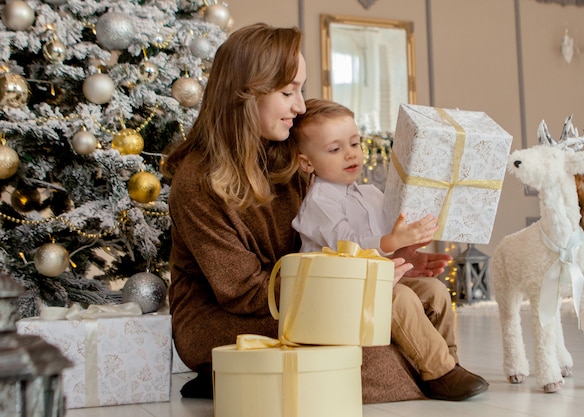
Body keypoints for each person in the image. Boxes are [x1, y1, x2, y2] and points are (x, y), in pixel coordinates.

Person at [163, 22, 465, 403]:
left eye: (300, 90)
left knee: (413, 309)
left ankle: (247, 378)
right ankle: (228, 371)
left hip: (303, 293)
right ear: (245, 93)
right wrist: (349, 288)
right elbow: (242, 294)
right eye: (288, 91)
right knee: (372, 358)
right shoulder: (198, 182)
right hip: (231, 317)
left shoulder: (288, 155)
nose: (301, 106)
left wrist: (390, 261)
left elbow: (330, 238)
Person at [290, 98, 489, 401]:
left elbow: (387, 243)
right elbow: (349, 244)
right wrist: (391, 243)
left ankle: (446, 365)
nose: (350, 154)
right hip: (336, 294)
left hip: (374, 283)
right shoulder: (319, 203)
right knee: (400, 297)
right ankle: (439, 370)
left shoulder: (370, 193)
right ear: (307, 163)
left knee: (434, 290)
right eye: (335, 149)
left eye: (355, 143)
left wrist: (406, 256)